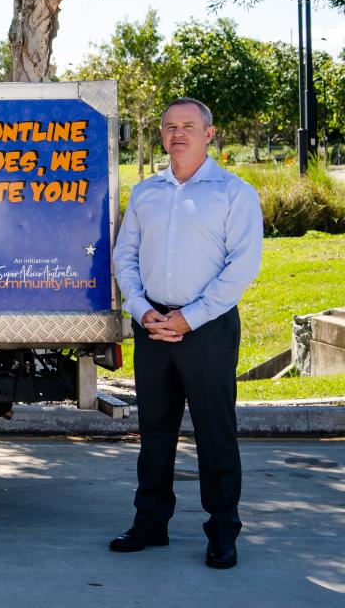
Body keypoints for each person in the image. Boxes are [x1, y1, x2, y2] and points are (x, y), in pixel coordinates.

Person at [109, 96, 261, 570]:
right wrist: (140, 309)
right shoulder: (146, 193)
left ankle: (222, 532)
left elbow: (242, 267)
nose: (178, 134)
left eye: (189, 126)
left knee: (216, 433)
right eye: (170, 126)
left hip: (207, 329)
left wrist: (189, 317)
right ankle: (150, 522)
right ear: (161, 134)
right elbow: (124, 257)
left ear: (209, 134)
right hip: (152, 325)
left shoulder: (234, 193)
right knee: (155, 431)